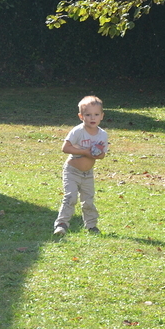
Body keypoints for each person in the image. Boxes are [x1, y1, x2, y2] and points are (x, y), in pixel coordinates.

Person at [54, 95, 109, 236]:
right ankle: (61, 224)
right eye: (88, 115)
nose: (92, 118)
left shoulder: (102, 135)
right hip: (72, 171)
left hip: (87, 174)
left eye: (96, 114)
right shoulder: (78, 131)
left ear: (102, 116)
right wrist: (84, 152)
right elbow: (65, 148)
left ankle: (91, 225)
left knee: (88, 201)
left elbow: (102, 155)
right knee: (70, 197)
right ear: (81, 116)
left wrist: (97, 153)